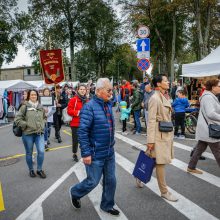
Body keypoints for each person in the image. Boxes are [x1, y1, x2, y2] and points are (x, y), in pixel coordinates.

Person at [69, 78, 120, 216]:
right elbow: (82, 131)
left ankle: (107, 205)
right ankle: (75, 192)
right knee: (93, 182)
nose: (111, 93)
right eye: (109, 90)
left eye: (112, 90)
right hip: (95, 153)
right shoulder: (89, 107)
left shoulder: (108, 104)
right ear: (98, 91)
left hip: (109, 151)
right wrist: (85, 153)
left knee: (111, 180)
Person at [146, 74, 178, 202]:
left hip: (166, 133)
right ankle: (164, 191)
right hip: (158, 135)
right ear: (158, 84)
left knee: (154, 160)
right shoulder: (155, 98)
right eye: (165, 81)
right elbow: (151, 120)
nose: (168, 82)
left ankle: (140, 175)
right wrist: (150, 141)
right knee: (160, 162)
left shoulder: (165, 95)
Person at [187, 79, 220, 174]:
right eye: (219, 86)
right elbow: (211, 114)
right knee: (218, 151)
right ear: (213, 87)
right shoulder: (208, 97)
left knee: (199, 149)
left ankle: (191, 167)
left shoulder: (209, 96)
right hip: (209, 129)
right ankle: (191, 167)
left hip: (206, 129)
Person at [14, 89, 47, 178]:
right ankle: (31, 170)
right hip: (28, 134)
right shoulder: (24, 106)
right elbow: (17, 119)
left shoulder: (40, 106)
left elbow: (44, 117)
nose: (33, 96)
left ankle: (39, 170)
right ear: (29, 96)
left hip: (39, 133)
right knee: (29, 153)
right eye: (32, 95)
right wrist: (26, 125)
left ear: (37, 96)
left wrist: (43, 124)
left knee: (41, 152)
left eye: (35, 95)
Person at [67, 84, 87, 162]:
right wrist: (78, 112)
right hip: (75, 124)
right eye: (81, 89)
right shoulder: (73, 99)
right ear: (78, 90)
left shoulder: (87, 100)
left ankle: (85, 154)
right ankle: (74, 153)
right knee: (75, 140)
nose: (82, 91)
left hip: (85, 123)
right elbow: (69, 111)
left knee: (85, 140)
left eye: (84, 89)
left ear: (86, 91)